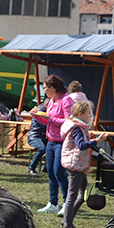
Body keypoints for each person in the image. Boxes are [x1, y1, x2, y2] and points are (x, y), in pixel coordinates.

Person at [59, 100, 109, 228]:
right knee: (73, 195)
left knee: (82, 194)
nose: (91, 115)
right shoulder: (77, 128)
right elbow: (81, 145)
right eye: (89, 113)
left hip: (77, 164)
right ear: (80, 114)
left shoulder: (79, 126)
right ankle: (68, 225)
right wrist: (97, 141)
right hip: (76, 165)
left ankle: (67, 221)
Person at [36, 74, 74, 214]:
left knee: (59, 172)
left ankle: (67, 203)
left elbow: (68, 121)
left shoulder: (66, 100)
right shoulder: (52, 100)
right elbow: (48, 121)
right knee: (51, 172)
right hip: (50, 141)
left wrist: (49, 118)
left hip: (62, 141)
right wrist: (38, 116)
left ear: (53, 87)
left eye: (45, 88)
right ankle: (53, 203)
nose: (44, 90)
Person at [27, 103, 47, 176]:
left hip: (44, 136)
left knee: (53, 147)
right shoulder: (39, 112)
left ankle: (46, 168)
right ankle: (31, 168)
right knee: (41, 148)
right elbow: (44, 124)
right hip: (35, 136)